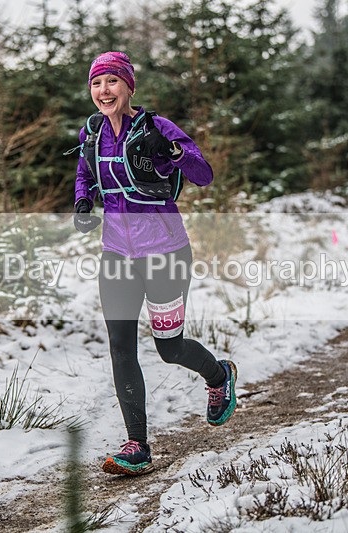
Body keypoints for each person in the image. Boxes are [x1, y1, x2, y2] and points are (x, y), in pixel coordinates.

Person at [72, 51, 237, 476]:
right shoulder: (91, 132)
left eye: (111, 82)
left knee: (169, 348)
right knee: (120, 346)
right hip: (116, 256)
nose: (103, 91)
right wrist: (83, 200)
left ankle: (218, 376)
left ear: (128, 86)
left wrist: (176, 153)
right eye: (96, 84)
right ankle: (137, 445)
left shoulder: (157, 127)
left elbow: (204, 174)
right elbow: (84, 174)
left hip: (165, 252)